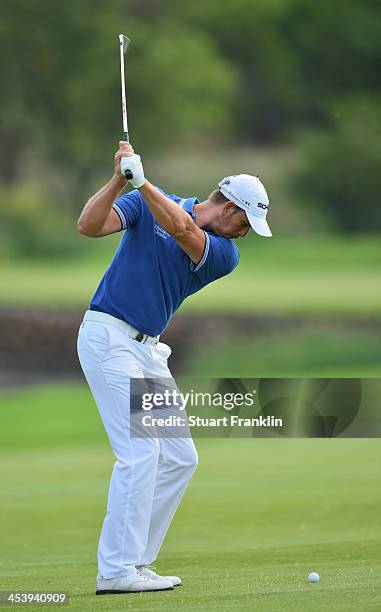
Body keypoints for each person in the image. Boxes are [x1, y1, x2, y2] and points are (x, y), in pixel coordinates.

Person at [76, 141, 272, 595]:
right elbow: (89, 226)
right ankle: (117, 570)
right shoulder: (147, 201)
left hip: (146, 351)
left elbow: (183, 229)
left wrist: (141, 182)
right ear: (228, 207)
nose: (246, 231)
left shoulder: (224, 253)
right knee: (141, 452)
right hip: (109, 338)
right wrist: (119, 179)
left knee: (181, 458)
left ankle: (136, 561)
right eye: (246, 221)